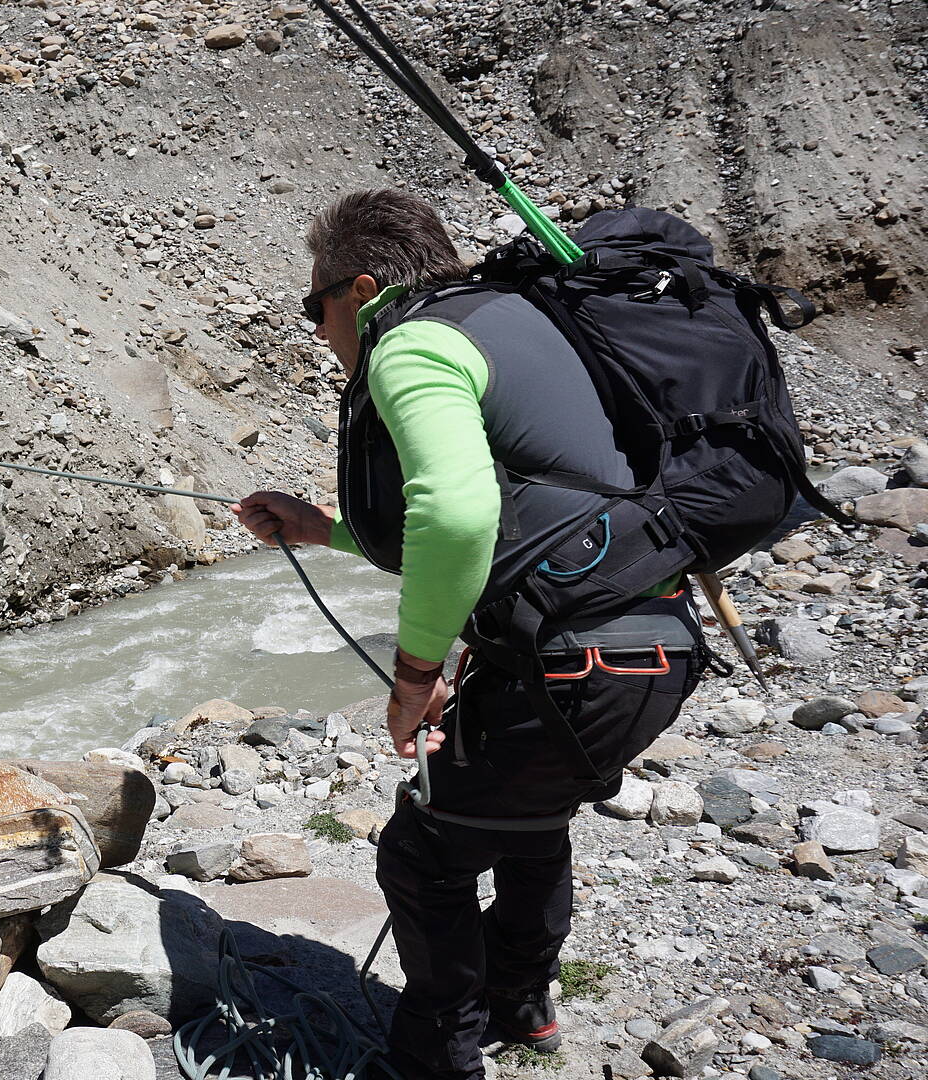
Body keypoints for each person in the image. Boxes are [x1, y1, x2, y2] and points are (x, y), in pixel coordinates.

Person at [237, 190, 703, 1080]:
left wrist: (415, 675)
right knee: (527, 818)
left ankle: (435, 1057)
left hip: (574, 659)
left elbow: (455, 516)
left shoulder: (407, 344)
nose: (318, 328)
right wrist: (319, 527)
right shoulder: (515, 321)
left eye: (316, 306)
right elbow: (533, 515)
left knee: (425, 850)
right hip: (655, 645)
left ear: (362, 288)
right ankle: (520, 1006)